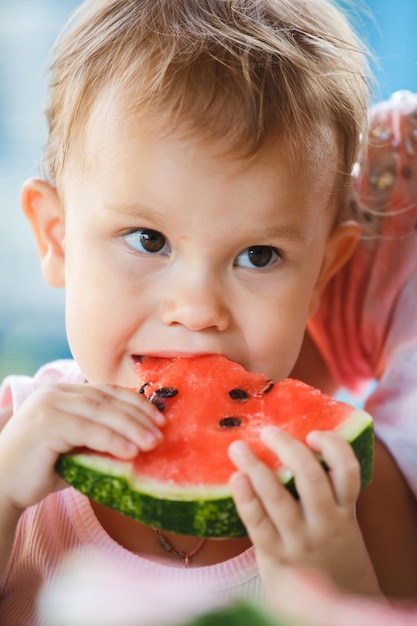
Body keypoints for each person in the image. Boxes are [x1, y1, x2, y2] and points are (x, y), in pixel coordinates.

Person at [0, 0, 414, 622]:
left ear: (322, 275)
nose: (197, 310)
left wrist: (342, 589)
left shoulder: (353, 483)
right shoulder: (13, 435)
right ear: (57, 240)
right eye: (148, 240)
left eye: (258, 255)